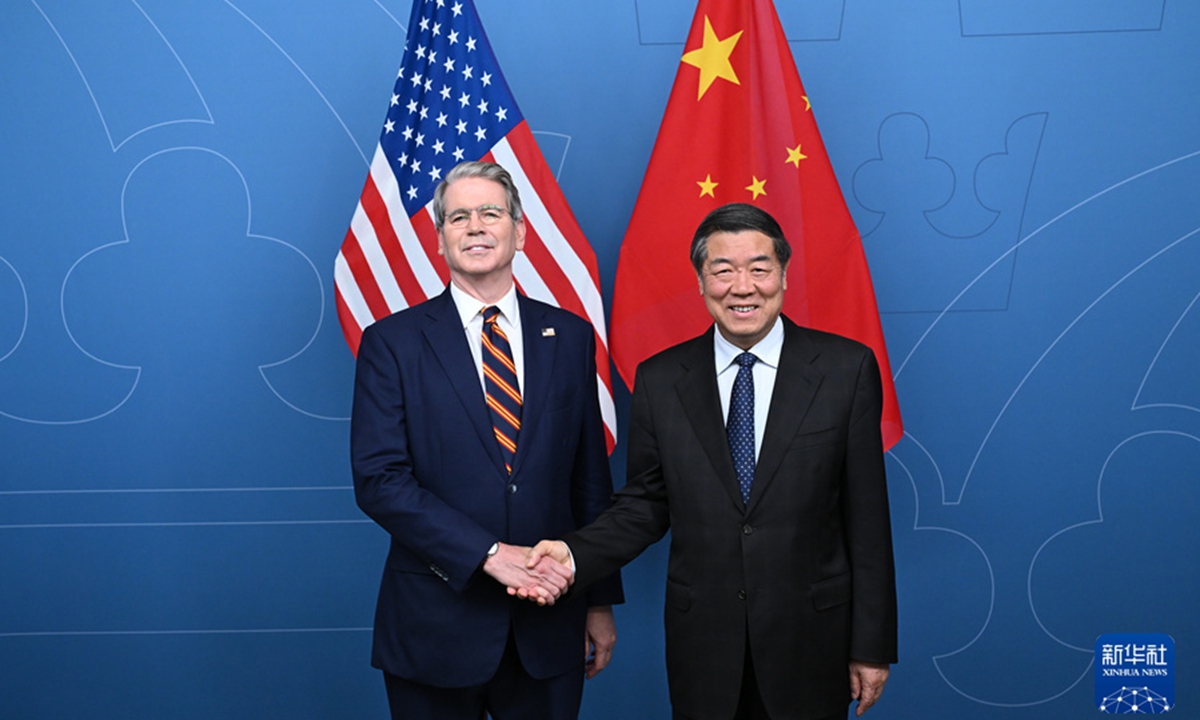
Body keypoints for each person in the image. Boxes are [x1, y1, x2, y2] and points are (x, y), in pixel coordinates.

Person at [524, 203, 897, 719]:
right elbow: (645, 506)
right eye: (722, 270)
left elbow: (868, 521)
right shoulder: (660, 379)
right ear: (701, 282)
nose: (742, 287)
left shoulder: (845, 369)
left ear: (783, 275)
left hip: (812, 643)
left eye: (759, 269)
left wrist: (872, 646)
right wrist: (571, 555)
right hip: (704, 647)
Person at [351, 161, 623, 720]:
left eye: (490, 213)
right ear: (441, 239)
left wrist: (597, 600)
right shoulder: (392, 343)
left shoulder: (570, 336)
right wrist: (490, 556)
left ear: (520, 232)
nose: (475, 227)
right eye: (459, 217)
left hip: (549, 626)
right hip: (435, 627)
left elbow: (589, 480)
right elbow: (381, 481)